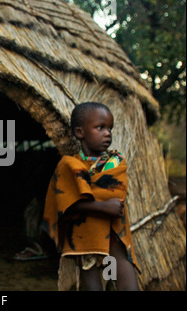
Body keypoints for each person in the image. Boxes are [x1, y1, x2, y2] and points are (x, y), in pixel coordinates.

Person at [42, 102, 140, 291]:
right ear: (80, 132)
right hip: (85, 238)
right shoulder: (68, 165)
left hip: (114, 237)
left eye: (110, 128)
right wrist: (102, 207)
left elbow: (116, 196)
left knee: (128, 282)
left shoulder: (116, 162)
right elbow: (63, 203)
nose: (108, 133)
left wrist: (86, 198)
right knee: (91, 282)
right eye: (100, 127)